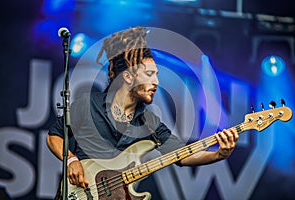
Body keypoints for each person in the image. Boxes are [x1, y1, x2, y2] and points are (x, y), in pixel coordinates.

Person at [47, 26, 239, 199]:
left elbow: (182, 156)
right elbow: (54, 136)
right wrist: (71, 159)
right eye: (149, 74)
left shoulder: (150, 123)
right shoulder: (89, 104)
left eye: (156, 75)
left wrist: (219, 155)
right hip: (78, 193)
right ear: (129, 77)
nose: (156, 82)